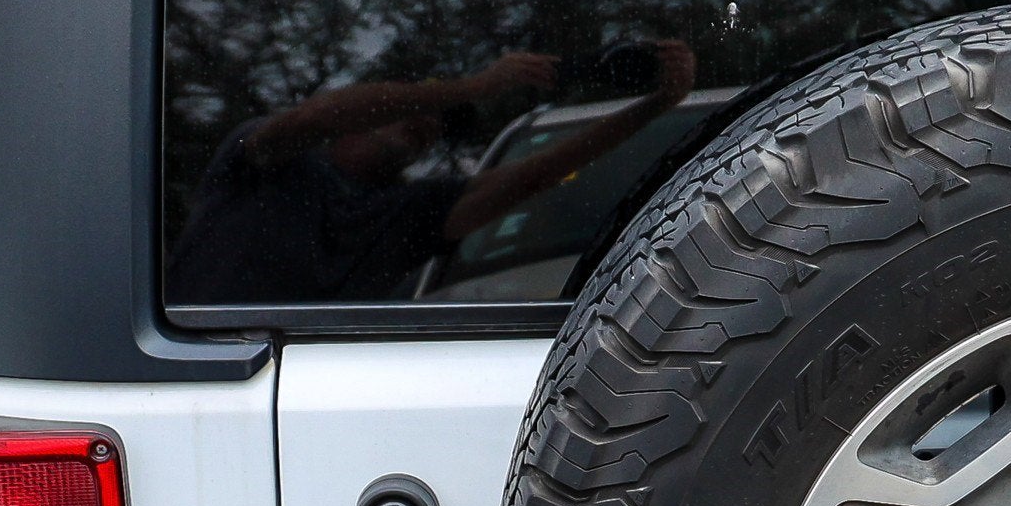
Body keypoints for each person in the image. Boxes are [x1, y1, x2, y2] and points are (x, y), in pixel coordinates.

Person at [171, 42, 697, 304]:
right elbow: (312, 118)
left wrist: (656, 107)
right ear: (370, 105)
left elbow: (533, 175)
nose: (428, 124)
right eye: (412, 104)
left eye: (437, 126)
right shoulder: (267, 161)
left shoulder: (405, 212)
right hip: (202, 362)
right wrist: (472, 88)